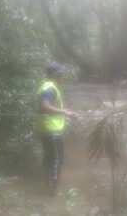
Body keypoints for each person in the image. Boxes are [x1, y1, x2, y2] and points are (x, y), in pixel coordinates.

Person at [35, 62, 76, 196]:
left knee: (48, 156)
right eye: (60, 73)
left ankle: (46, 184)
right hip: (51, 129)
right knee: (57, 159)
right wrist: (65, 112)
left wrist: (66, 111)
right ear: (55, 75)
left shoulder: (47, 85)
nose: (62, 75)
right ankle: (53, 191)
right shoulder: (50, 88)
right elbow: (44, 106)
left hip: (45, 127)